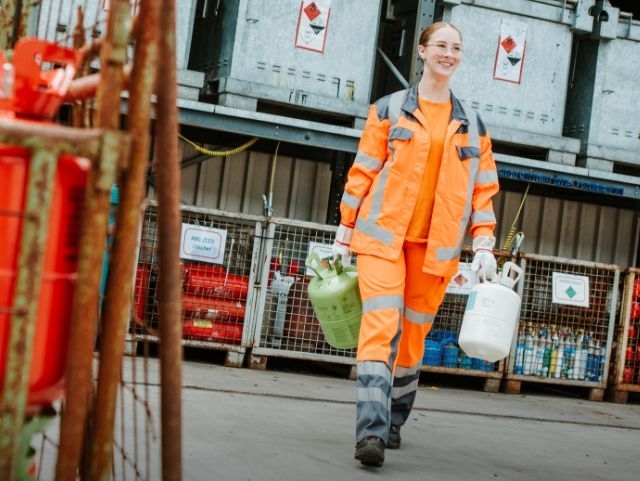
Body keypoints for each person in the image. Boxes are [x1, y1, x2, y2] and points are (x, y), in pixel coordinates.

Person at [331, 21, 500, 468]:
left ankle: (394, 419)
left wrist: (484, 244)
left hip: (436, 251)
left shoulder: (474, 125)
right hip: (381, 241)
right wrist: (345, 230)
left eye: (456, 48)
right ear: (422, 52)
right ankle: (370, 431)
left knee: (410, 342)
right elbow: (363, 171)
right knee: (379, 328)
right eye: (440, 45)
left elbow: (482, 192)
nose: (448, 53)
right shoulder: (388, 110)